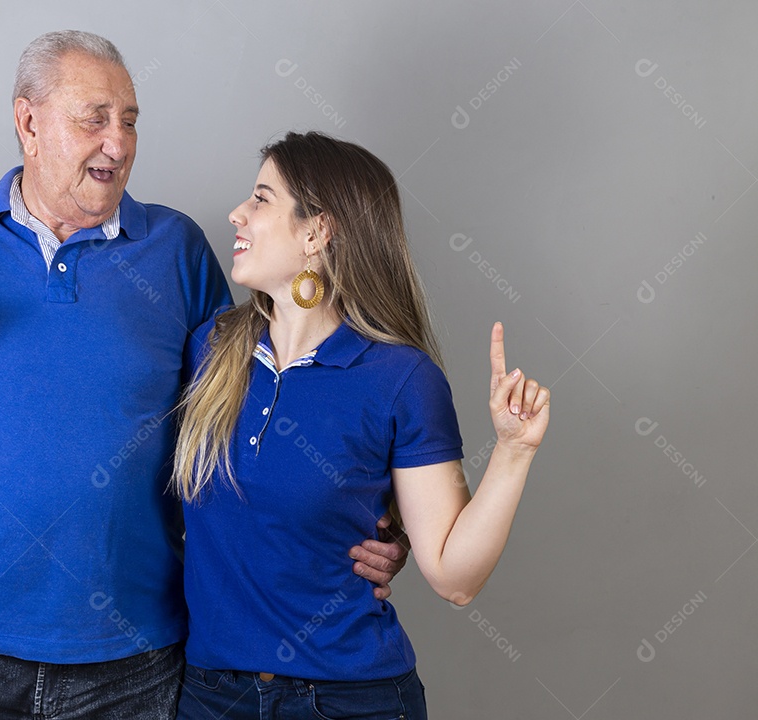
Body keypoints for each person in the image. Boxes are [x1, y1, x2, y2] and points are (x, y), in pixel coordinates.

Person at [0, 32, 402, 719]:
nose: (118, 143)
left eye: (130, 121)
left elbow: (264, 408)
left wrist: (376, 518)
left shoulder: (176, 249)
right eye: (95, 119)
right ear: (29, 122)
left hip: (132, 658)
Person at [171, 131, 550, 720]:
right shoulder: (209, 351)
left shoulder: (401, 378)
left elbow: (455, 578)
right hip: (212, 698)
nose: (237, 214)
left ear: (317, 232)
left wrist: (513, 451)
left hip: (348, 701)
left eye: (262, 199)